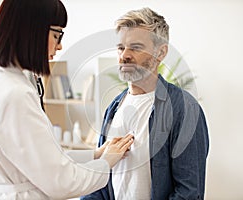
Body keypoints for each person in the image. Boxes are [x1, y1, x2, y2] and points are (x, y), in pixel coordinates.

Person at [0, 0, 134, 199]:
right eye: (56, 35)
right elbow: (61, 181)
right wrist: (106, 162)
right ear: (32, 31)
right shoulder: (15, 95)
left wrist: (96, 154)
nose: (59, 46)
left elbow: (43, 159)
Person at [82, 7, 209, 200]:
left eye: (136, 47)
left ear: (161, 52)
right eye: (120, 47)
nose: (124, 55)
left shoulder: (185, 109)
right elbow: (99, 184)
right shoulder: (113, 108)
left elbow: (189, 193)